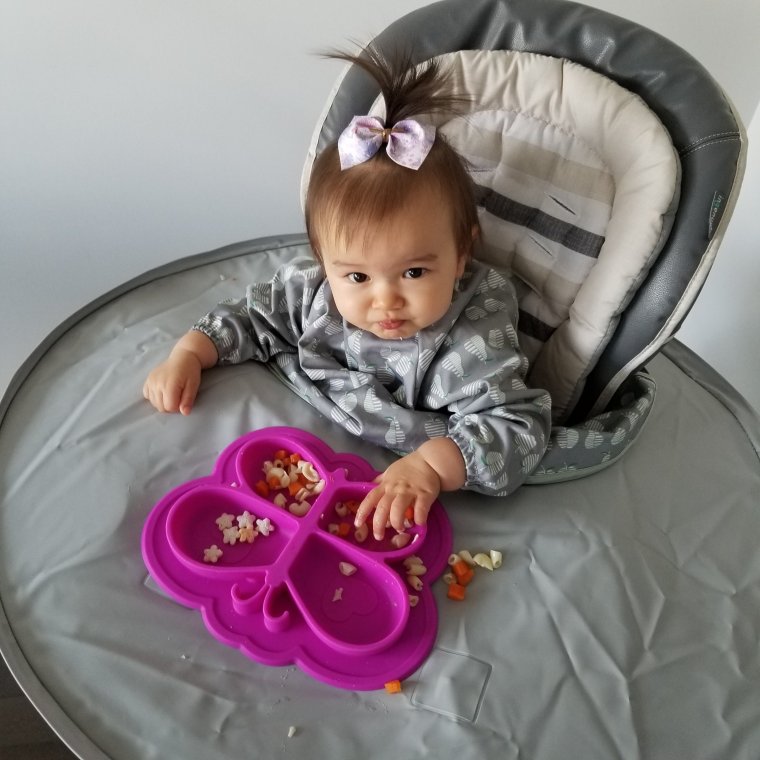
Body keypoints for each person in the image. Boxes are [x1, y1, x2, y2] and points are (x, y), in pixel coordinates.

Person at [143, 45, 552, 540]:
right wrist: (190, 353)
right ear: (323, 262)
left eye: (414, 272)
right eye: (357, 277)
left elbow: (517, 427)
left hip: (409, 471)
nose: (385, 301)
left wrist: (430, 466)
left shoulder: (472, 334)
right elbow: (253, 315)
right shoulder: (315, 292)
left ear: (462, 254)